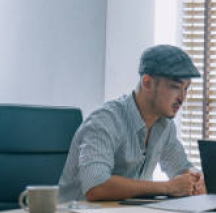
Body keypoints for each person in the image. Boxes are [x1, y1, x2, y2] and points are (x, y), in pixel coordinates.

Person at [58, 45, 206, 202]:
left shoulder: (165, 126)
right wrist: (167, 187)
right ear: (147, 83)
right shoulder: (105, 120)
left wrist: (196, 179)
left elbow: (181, 168)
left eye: (186, 89)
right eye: (175, 87)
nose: (182, 98)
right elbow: (96, 186)